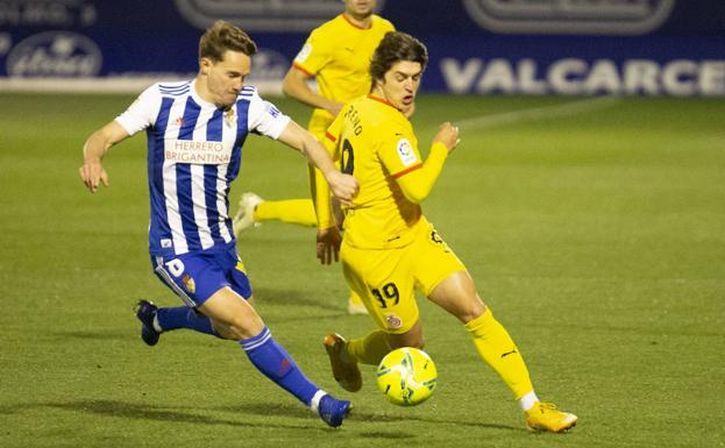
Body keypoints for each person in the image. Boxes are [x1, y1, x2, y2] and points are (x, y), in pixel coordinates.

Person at [78, 20, 359, 428]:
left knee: (228, 327)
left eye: (245, 75)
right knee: (246, 323)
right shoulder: (162, 100)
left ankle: (158, 319)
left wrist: (332, 176)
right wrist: (93, 158)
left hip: (222, 242)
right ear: (205, 65)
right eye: (232, 74)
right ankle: (320, 403)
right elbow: (101, 135)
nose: (240, 84)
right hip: (174, 247)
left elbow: (306, 140)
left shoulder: (248, 105)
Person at [315, 31, 578, 433]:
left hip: (415, 235)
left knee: (473, 308)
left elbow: (323, 160)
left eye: (416, 77)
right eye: (401, 77)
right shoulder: (390, 125)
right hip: (374, 255)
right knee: (410, 345)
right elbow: (417, 187)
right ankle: (346, 352)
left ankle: (533, 407)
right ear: (380, 75)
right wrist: (441, 145)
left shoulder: (352, 108)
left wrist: (328, 223)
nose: (410, 86)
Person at [233, 0, 395, 315]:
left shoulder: (386, 30)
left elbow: (389, 74)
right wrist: (330, 105)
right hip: (329, 138)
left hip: (367, 132)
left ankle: (258, 210)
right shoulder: (326, 35)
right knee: (348, 210)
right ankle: (359, 298)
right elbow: (291, 84)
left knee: (352, 211)